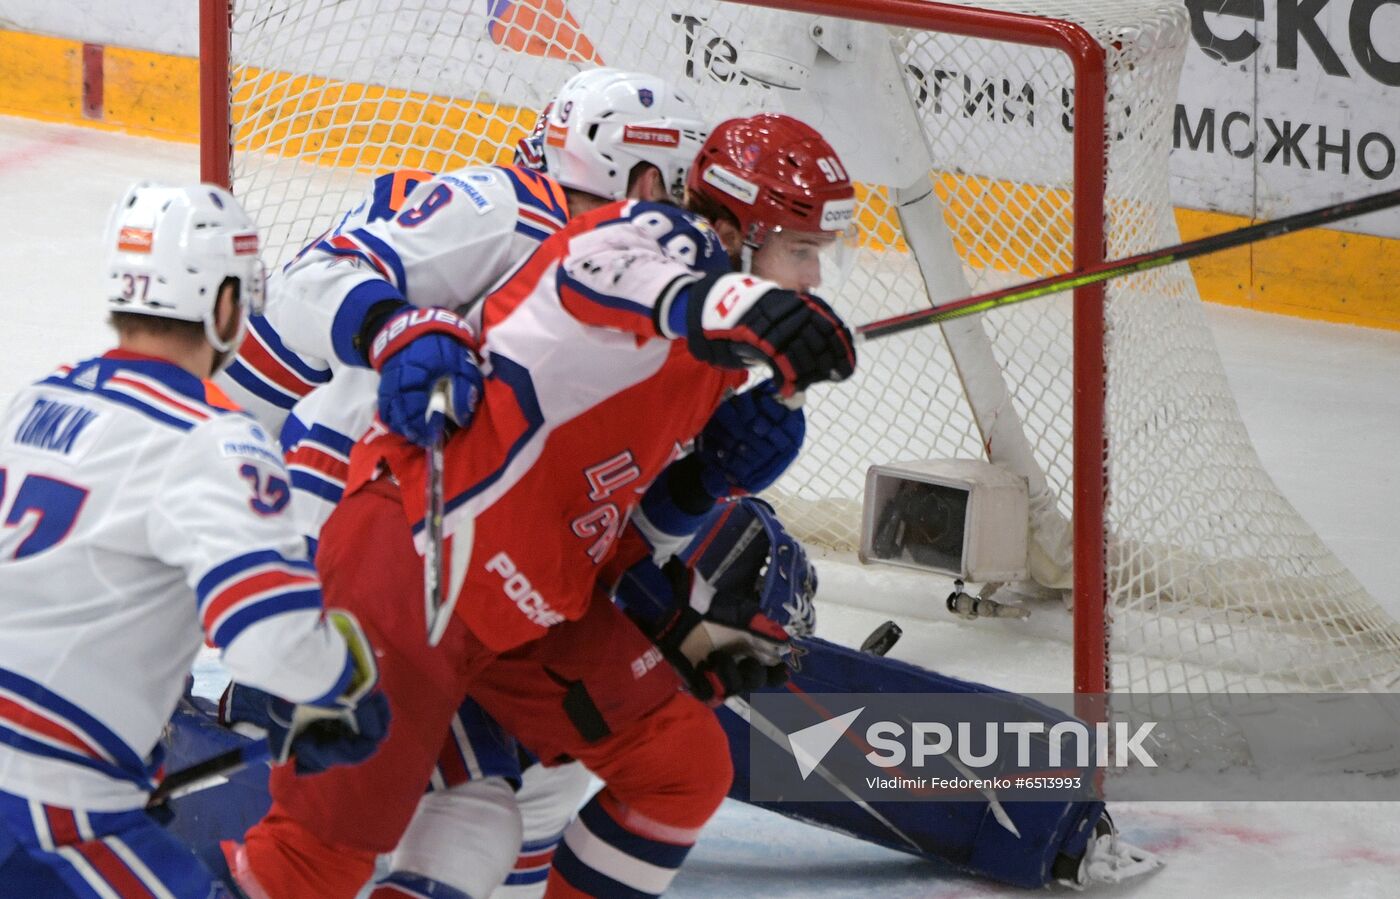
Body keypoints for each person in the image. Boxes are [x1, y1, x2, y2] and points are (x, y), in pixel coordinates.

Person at [223, 112, 858, 898]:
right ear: (736, 229)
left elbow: (600, 515)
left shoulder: (711, 361)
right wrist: (734, 308)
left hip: (531, 609)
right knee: (321, 858)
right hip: (420, 561)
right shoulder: (657, 241)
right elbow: (595, 266)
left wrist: (698, 496)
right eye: (802, 252)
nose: (814, 279)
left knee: (682, 768)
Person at [0, 183, 389, 897]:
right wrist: (340, 686)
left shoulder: (39, 398)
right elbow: (269, 640)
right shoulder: (213, 440)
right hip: (51, 794)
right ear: (223, 306)